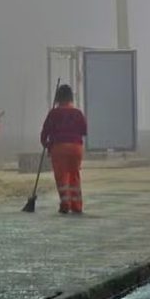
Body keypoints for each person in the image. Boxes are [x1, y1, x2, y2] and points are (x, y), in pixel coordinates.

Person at [41, 84, 88, 214]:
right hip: (76, 149)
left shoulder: (53, 113)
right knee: (74, 174)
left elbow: (45, 133)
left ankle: (65, 203)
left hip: (59, 148)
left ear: (57, 98)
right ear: (70, 98)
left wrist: (46, 144)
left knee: (62, 176)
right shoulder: (78, 113)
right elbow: (84, 131)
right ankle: (77, 205)